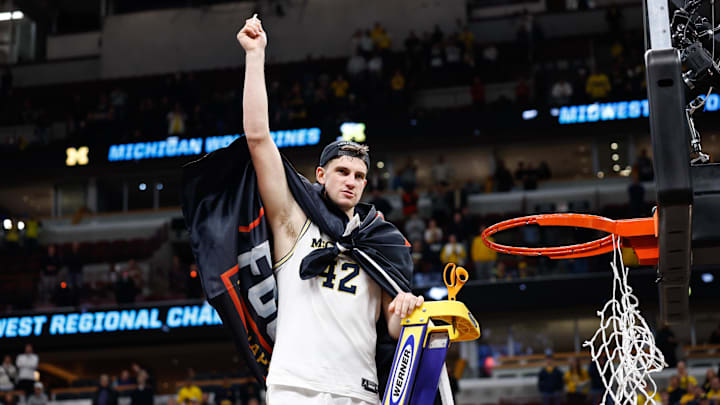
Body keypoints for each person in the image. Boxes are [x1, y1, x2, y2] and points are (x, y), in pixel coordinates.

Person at [235, 16, 423, 404]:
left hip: (360, 390)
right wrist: (256, 56)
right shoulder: (293, 222)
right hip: (295, 386)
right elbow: (258, 139)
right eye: (342, 171)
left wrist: (404, 310)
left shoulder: (381, 242)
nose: (351, 180)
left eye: (358, 175)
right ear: (321, 174)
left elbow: (390, 324)